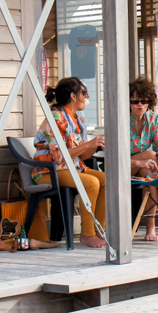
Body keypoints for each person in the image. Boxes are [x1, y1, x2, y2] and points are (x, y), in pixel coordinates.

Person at [32, 77, 106, 249]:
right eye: (83, 93)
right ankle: (87, 234)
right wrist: (88, 144)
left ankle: (98, 230)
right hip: (48, 172)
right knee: (92, 183)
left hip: (71, 168)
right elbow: (58, 156)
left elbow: (81, 155)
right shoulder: (56, 118)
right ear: (74, 96)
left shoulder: (77, 119)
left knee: (106, 180)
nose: (86, 98)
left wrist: (95, 146)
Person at [128, 77, 158, 241]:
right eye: (135, 101)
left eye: (143, 100)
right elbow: (116, 155)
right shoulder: (122, 119)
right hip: (123, 166)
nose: (140, 104)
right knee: (151, 156)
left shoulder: (152, 118)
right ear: (128, 102)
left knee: (150, 171)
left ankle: (151, 228)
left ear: (149, 101)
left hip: (141, 167)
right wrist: (141, 161)